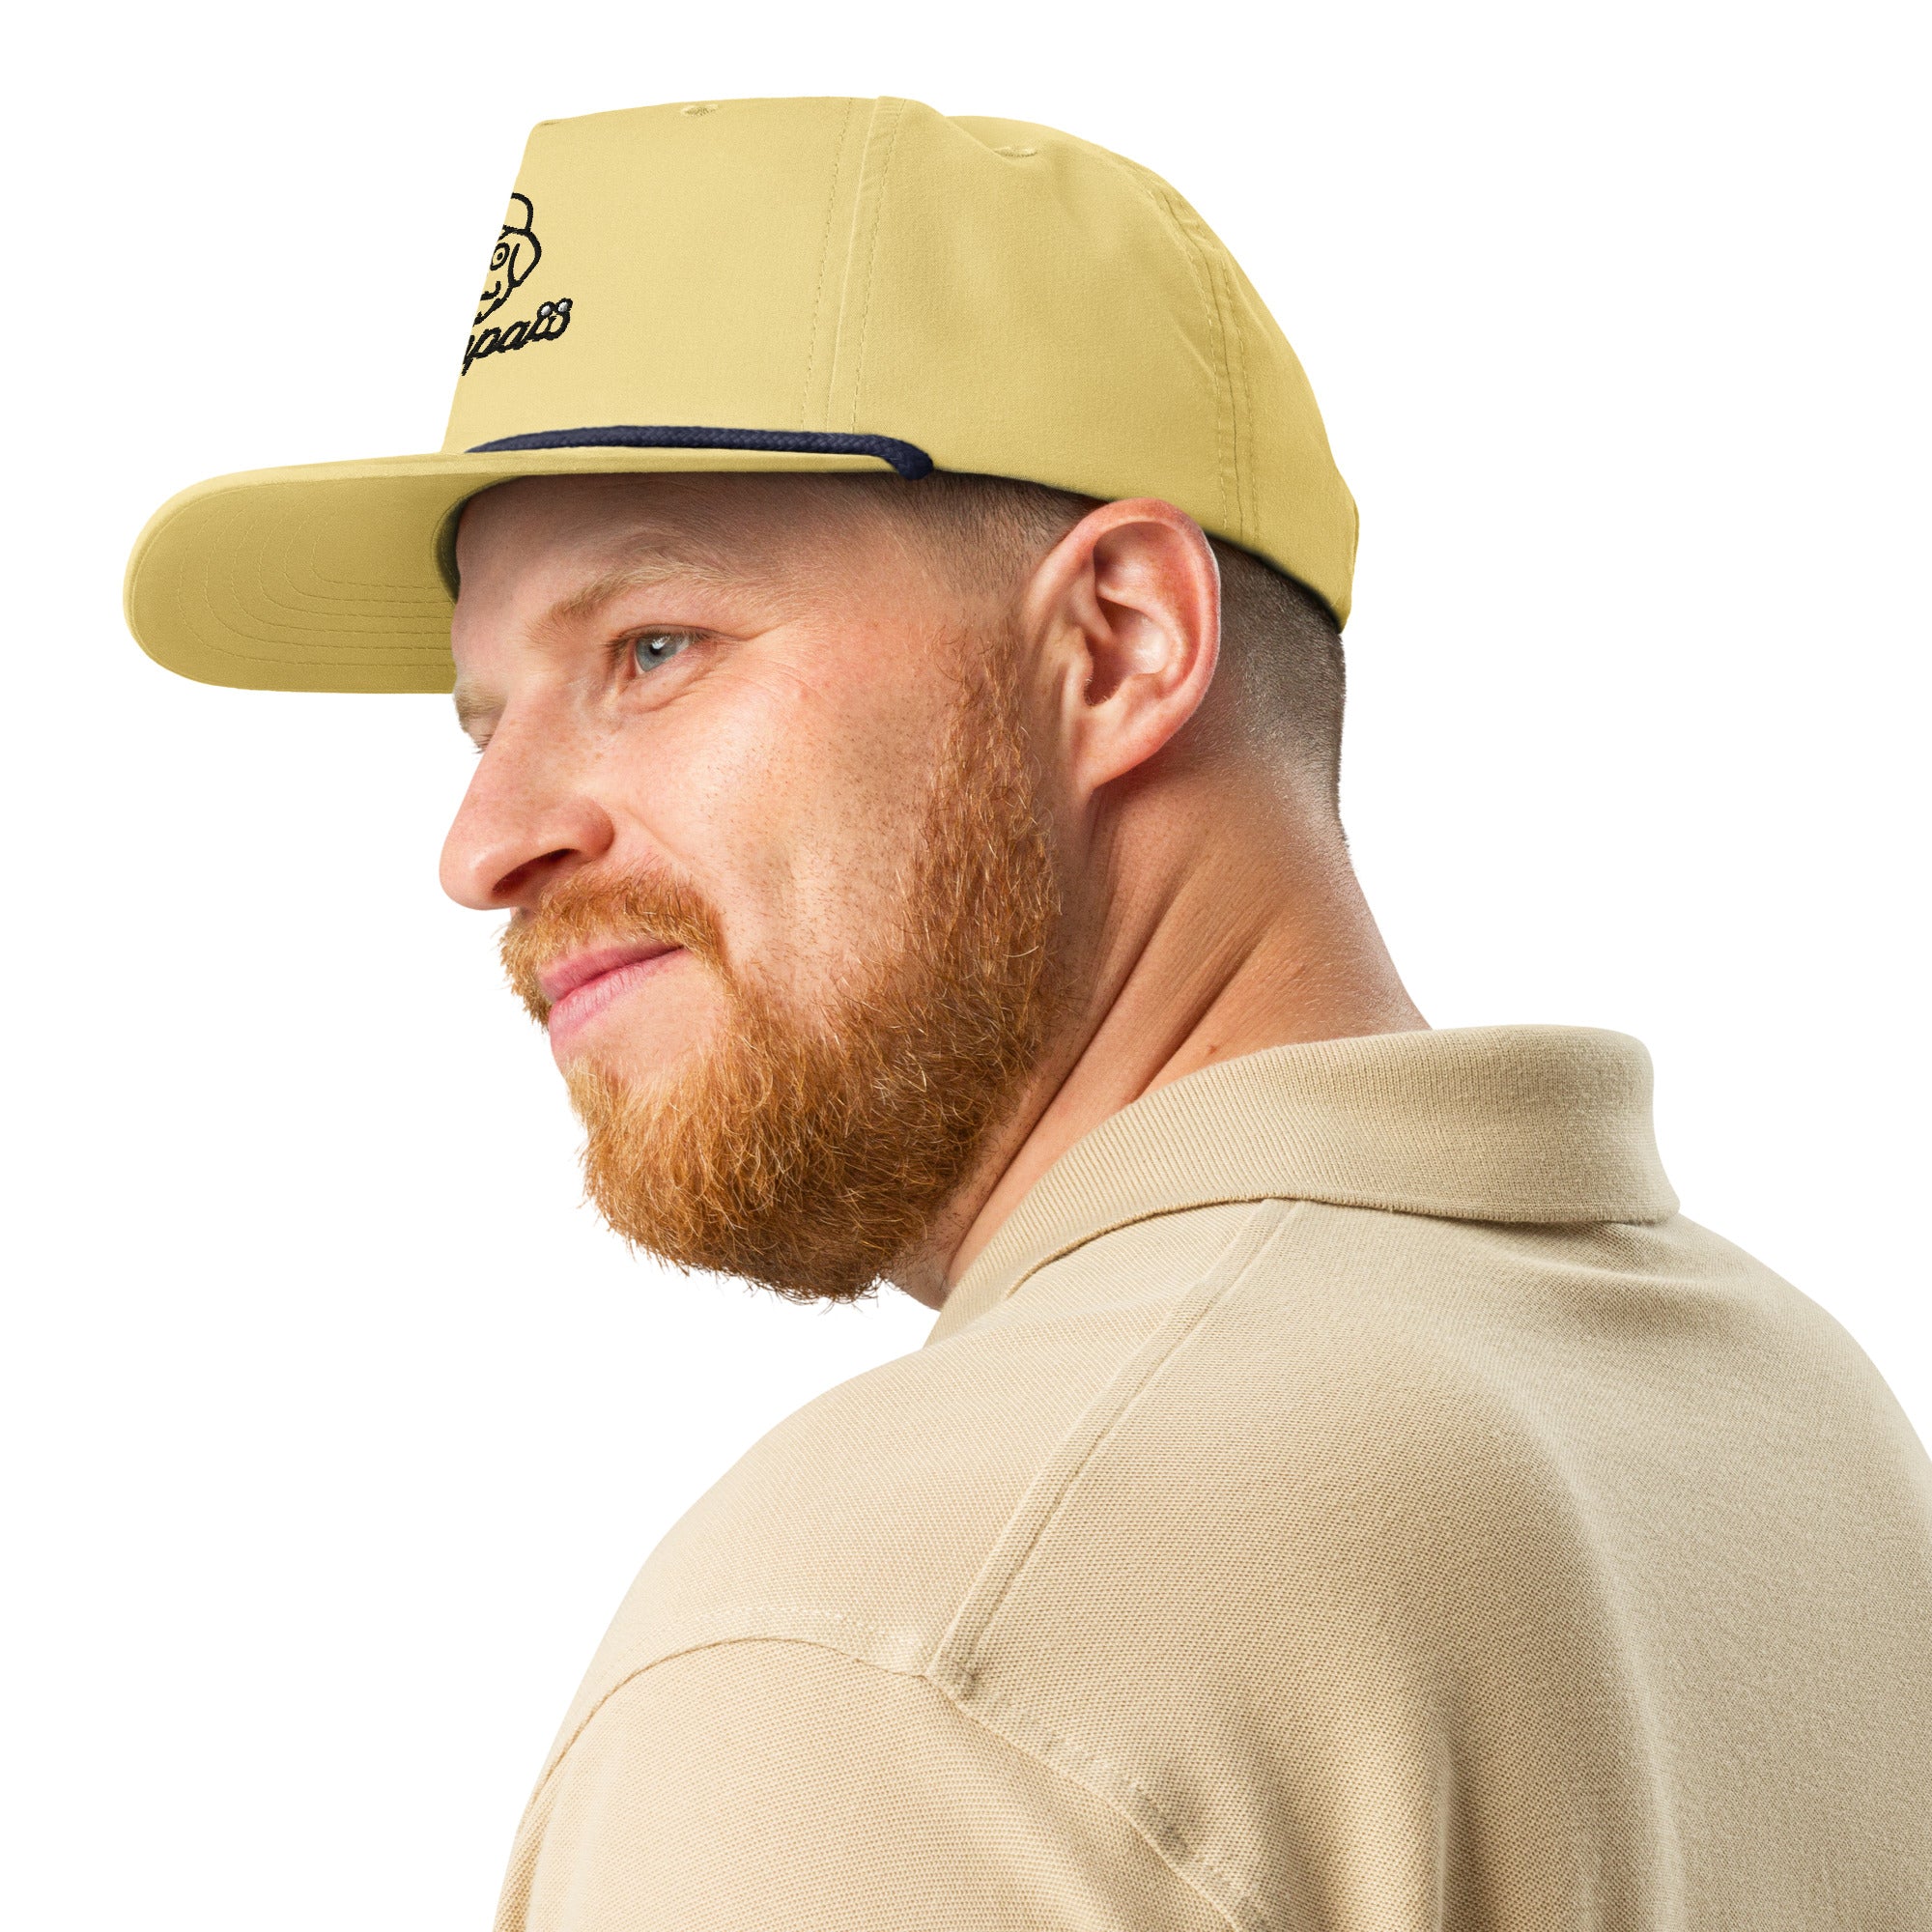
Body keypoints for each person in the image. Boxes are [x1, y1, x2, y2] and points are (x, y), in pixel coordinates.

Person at [126, 97, 1931, 1931]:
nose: (487, 842)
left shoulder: (878, 1659)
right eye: (479, 719)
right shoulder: (1791, 1425)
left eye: (653, 648)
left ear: (1123, 641)